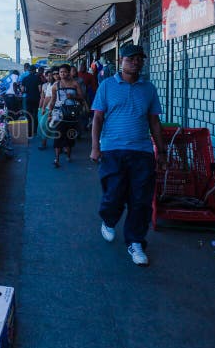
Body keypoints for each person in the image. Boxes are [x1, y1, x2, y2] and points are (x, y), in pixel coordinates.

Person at [90, 44, 167, 267]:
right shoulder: (106, 86)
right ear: (121, 61)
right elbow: (97, 118)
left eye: (139, 59)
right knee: (114, 194)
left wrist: (161, 152)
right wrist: (95, 147)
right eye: (131, 58)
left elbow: (154, 121)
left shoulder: (149, 89)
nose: (136, 62)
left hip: (141, 152)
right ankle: (108, 219)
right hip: (113, 150)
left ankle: (135, 242)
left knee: (141, 200)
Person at [49, 64, 83, 167]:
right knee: (58, 136)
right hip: (59, 114)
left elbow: (82, 97)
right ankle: (57, 159)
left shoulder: (75, 84)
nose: (62, 74)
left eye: (64, 72)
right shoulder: (55, 85)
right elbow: (53, 100)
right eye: (60, 72)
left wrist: (73, 96)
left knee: (70, 136)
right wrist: (50, 112)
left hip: (71, 114)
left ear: (69, 72)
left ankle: (68, 155)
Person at [37, 67, 59, 150]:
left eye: (55, 74)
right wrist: (41, 108)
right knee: (44, 125)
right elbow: (44, 98)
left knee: (57, 127)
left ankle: (61, 146)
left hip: (57, 109)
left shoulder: (59, 83)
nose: (51, 76)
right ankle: (44, 143)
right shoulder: (47, 85)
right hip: (48, 108)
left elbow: (49, 98)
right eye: (49, 75)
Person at [20, 64, 41, 137]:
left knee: (28, 115)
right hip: (36, 99)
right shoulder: (38, 78)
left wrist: (26, 91)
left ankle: (29, 132)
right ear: (35, 70)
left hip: (28, 99)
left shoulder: (25, 79)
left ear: (29, 71)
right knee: (35, 115)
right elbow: (40, 89)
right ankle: (35, 130)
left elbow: (22, 90)